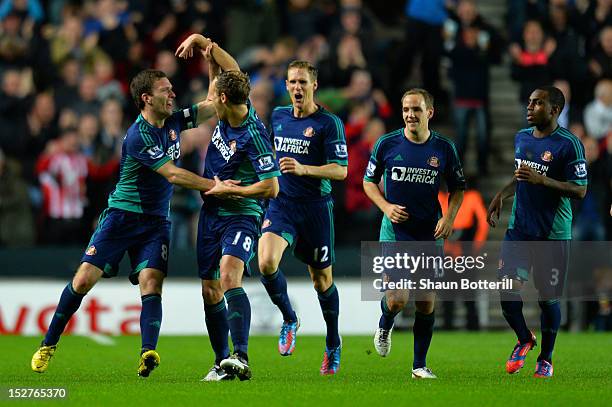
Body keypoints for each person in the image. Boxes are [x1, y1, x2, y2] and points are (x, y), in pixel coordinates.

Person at [31, 67, 233, 377]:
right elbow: (173, 174)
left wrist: (210, 58)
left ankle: (147, 351)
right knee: (83, 280)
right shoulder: (140, 135)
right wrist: (213, 185)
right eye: (166, 90)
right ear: (146, 99)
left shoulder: (175, 121)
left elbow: (212, 102)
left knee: (152, 282)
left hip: (155, 223)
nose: (173, 94)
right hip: (121, 219)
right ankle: (48, 344)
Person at [176, 34, 280, 382]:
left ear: (222, 99)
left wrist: (236, 189)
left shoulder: (254, 135)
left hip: (242, 213)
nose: (209, 102)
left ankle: (242, 356)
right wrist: (207, 45)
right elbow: (233, 69)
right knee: (209, 289)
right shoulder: (232, 103)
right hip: (211, 213)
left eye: (213, 96)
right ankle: (222, 362)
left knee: (228, 275)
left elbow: (272, 186)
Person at [363, 88, 465, 379]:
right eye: (406, 109)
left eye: (417, 109)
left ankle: (419, 366)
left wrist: (448, 217)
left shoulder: (444, 148)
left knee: (425, 299)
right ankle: (385, 323)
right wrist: (385, 206)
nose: (410, 115)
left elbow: (458, 187)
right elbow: (368, 182)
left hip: (429, 232)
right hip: (395, 232)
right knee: (397, 299)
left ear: (429, 113)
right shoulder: (387, 143)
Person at [487, 86, 587, 378]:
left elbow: (580, 190)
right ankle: (524, 338)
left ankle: (546, 357)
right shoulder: (522, 137)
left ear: (554, 110)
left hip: (552, 233)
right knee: (506, 292)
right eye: (529, 102)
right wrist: (502, 195)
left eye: (537, 103)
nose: (529, 107)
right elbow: (522, 177)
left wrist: (543, 180)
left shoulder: (569, 144)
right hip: (519, 229)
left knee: (547, 299)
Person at [256, 60, 348, 375]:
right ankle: (289, 318)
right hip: (282, 205)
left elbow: (341, 170)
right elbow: (269, 154)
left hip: (316, 209)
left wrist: (304, 168)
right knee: (266, 262)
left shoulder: (328, 123)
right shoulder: (279, 116)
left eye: (303, 83)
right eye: (292, 82)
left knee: (322, 281)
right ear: (287, 85)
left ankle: (333, 343)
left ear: (314, 86)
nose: (297, 88)